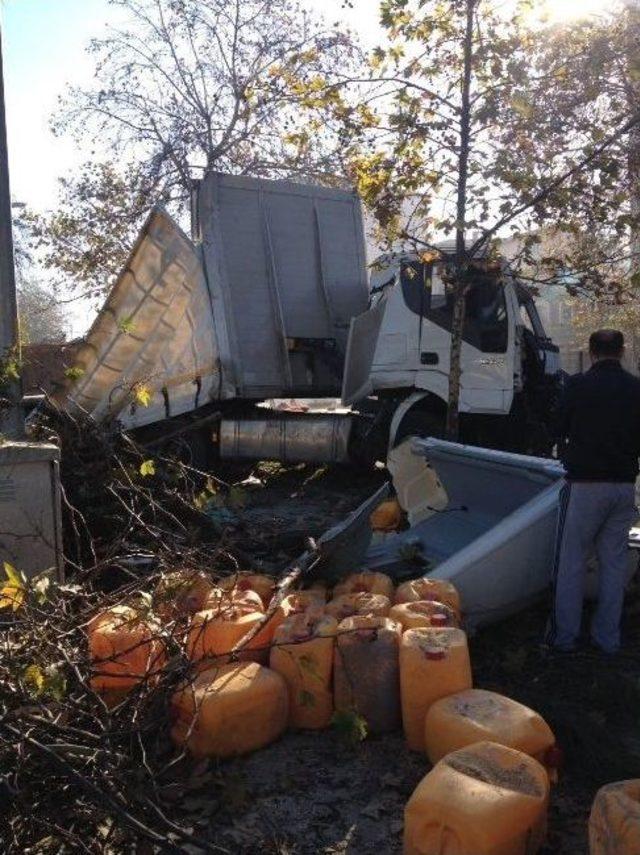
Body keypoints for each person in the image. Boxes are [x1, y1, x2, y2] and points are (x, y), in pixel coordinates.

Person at [548, 329, 640, 653]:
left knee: (572, 562)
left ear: (591, 352)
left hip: (585, 486)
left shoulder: (577, 385)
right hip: (624, 487)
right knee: (613, 566)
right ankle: (607, 640)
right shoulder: (636, 389)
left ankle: (565, 637)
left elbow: (557, 427)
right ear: (622, 351)